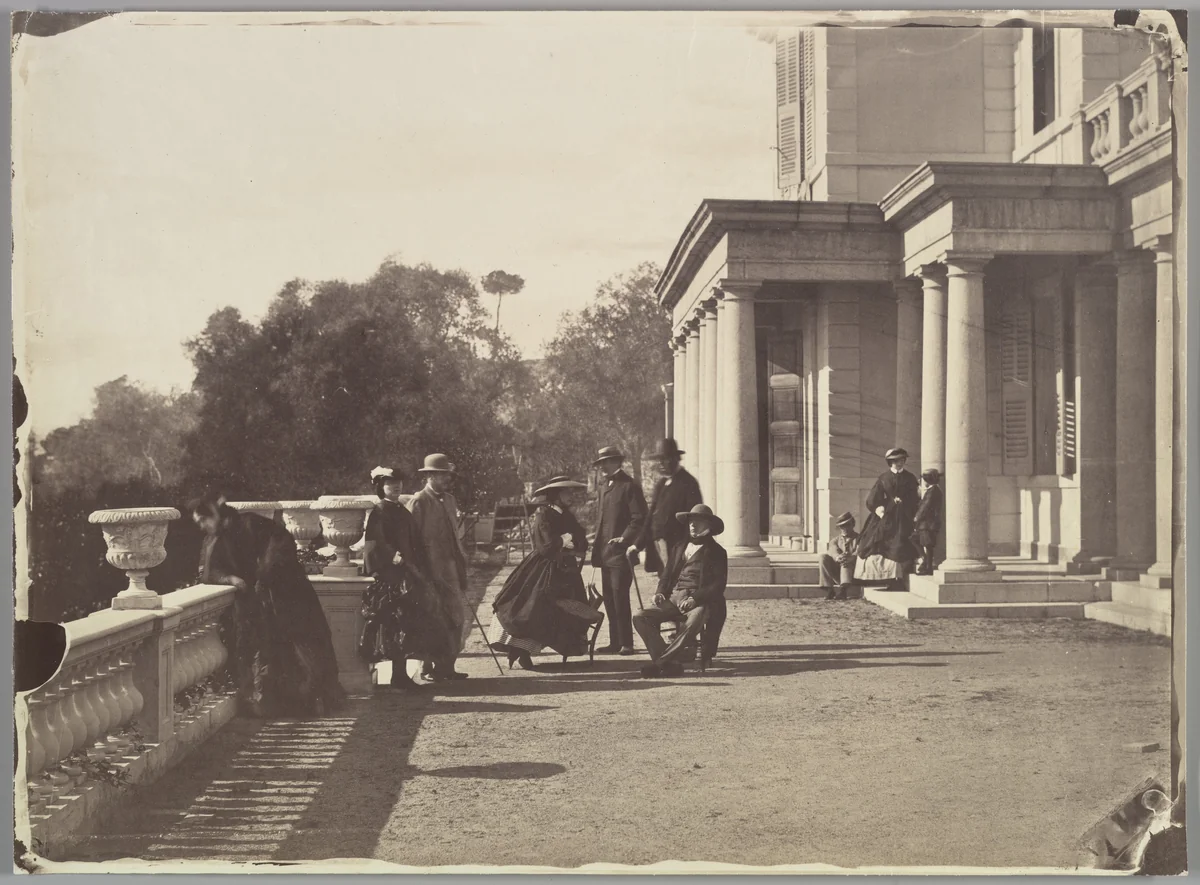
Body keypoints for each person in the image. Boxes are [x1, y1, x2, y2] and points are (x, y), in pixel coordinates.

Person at [191, 492, 344, 717]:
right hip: (258, 601)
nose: (203, 526)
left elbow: (281, 546)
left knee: (302, 644)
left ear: (216, 514)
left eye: (205, 520)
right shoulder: (214, 540)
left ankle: (311, 701)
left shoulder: (250, 523)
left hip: (286, 595)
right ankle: (283, 705)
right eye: (199, 523)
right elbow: (208, 571)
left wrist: (264, 576)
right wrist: (230, 579)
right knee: (268, 649)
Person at [360, 466, 462, 689]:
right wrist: (394, 557)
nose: (396, 486)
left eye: (398, 483)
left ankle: (409, 672)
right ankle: (399, 676)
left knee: (409, 624)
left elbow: (414, 541)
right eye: (390, 483)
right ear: (380, 487)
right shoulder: (380, 511)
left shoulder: (400, 509)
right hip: (392, 577)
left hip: (409, 573)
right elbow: (376, 542)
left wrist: (420, 563)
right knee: (396, 625)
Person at [488, 476, 602, 669]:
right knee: (531, 608)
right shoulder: (543, 515)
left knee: (566, 610)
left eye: (571, 492)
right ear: (556, 495)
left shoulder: (567, 515)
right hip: (544, 570)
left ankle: (565, 647)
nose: (570, 496)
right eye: (566, 493)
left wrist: (571, 541)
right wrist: (564, 541)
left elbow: (581, 540)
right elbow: (546, 546)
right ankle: (521, 651)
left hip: (566, 572)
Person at [632, 504, 728, 678]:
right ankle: (670, 663)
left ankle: (660, 663)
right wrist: (660, 592)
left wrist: (695, 599)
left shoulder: (717, 552)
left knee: (695, 620)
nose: (692, 525)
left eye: (697, 521)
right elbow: (666, 575)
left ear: (708, 525)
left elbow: (718, 584)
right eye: (691, 521)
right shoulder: (679, 547)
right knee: (640, 616)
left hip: (697, 600)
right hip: (673, 597)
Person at [408, 453, 470, 681]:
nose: (447, 479)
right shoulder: (418, 502)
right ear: (430, 476)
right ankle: (427, 667)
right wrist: (418, 571)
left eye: (447, 475)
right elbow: (411, 540)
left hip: (451, 568)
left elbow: (455, 535)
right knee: (431, 616)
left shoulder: (450, 500)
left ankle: (447, 666)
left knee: (456, 616)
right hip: (428, 570)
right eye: (442, 475)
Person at [590, 445, 648, 656]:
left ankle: (627, 643)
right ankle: (614, 642)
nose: (603, 466)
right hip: (605, 554)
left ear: (617, 462)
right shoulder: (604, 486)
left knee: (620, 597)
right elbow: (602, 521)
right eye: (601, 463)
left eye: (607, 461)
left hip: (620, 553)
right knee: (609, 599)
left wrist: (625, 538)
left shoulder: (629, 486)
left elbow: (639, 518)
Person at [630, 438, 703, 576]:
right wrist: (637, 545)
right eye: (658, 460)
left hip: (678, 547)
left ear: (676, 458)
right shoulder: (661, 484)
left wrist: (688, 549)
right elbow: (650, 517)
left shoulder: (688, 483)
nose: (661, 463)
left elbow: (694, 519)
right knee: (664, 583)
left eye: (665, 459)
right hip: (659, 546)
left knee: (677, 584)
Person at [854, 447, 921, 590]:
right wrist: (880, 509)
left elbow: (915, 498)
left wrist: (905, 503)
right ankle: (882, 579)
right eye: (896, 461)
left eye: (902, 460)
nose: (900, 463)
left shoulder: (910, 478)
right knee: (874, 542)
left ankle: (898, 580)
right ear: (890, 462)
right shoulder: (884, 478)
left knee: (900, 544)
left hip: (904, 515)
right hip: (887, 515)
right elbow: (872, 498)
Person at [820, 511, 860, 600]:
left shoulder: (859, 538)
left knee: (846, 559)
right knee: (823, 557)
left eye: (847, 525)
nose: (844, 528)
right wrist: (838, 557)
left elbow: (860, 552)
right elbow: (833, 550)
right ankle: (829, 589)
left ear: (853, 524)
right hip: (838, 572)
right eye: (842, 526)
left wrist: (850, 557)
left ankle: (843, 591)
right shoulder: (835, 540)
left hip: (854, 573)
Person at [912, 468, 944, 576]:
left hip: (928, 524)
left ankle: (928, 567)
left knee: (928, 546)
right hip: (927, 524)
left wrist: (917, 517)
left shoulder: (933, 491)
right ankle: (926, 562)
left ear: (927, 480)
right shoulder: (933, 490)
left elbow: (925, 506)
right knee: (917, 540)